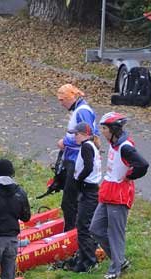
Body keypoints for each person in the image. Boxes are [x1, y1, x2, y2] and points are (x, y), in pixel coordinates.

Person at [89, 112, 148, 279]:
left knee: (116, 233)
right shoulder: (114, 144)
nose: (102, 131)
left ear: (114, 129)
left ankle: (116, 269)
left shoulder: (125, 147)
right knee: (96, 229)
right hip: (108, 192)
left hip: (119, 194)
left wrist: (130, 176)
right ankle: (119, 260)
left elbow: (143, 165)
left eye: (105, 128)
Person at [56, 84, 97, 232]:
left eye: (62, 100)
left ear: (70, 98)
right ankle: (72, 230)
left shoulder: (82, 111)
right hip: (73, 158)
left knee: (69, 202)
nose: (61, 104)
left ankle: (71, 233)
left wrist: (65, 142)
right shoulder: (79, 109)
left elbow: (88, 134)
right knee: (69, 200)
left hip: (77, 160)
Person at [65, 121, 102, 273]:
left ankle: (88, 261)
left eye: (77, 134)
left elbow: (88, 167)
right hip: (91, 189)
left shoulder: (86, 146)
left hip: (88, 190)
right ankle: (84, 258)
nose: (75, 137)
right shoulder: (90, 146)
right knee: (84, 225)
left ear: (85, 134)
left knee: (83, 226)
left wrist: (78, 179)